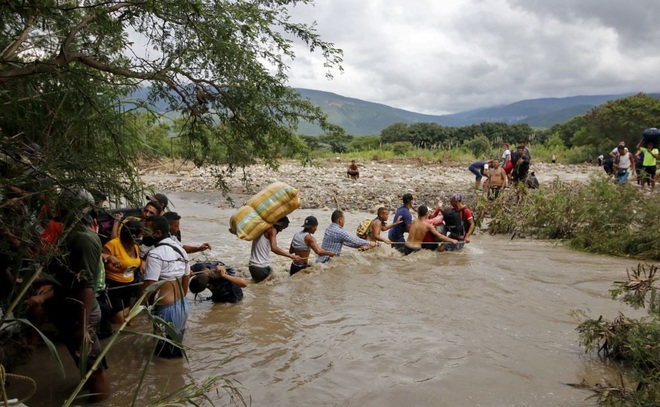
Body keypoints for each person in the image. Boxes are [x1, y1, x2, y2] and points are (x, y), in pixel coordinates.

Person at [46, 194, 110, 402]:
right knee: (85, 365)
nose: (58, 207)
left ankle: (102, 400)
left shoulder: (83, 238)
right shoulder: (71, 234)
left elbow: (87, 285)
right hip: (74, 311)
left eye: (63, 203)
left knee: (94, 368)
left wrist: (83, 328)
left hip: (81, 313)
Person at [141, 215, 190, 358]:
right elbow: (186, 278)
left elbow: (148, 285)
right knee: (175, 351)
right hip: (182, 306)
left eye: (146, 229)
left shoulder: (155, 254)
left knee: (164, 355)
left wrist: (136, 311)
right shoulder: (180, 250)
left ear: (157, 233)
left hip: (166, 311)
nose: (143, 233)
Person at [102, 219, 143, 324]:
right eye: (140, 235)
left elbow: (135, 260)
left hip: (128, 286)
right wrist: (109, 257)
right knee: (119, 321)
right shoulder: (113, 244)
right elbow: (98, 255)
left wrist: (142, 262)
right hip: (113, 286)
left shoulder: (135, 246)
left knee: (128, 320)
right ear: (133, 235)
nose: (142, 237)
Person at [249, 216, 302, 283]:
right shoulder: (272, 230)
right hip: (260, 266)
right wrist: (292, 256)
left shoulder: (262, 228)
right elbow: (274, 248)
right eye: (282, 228)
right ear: (278, 224)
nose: (281, 230)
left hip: (253, 266)